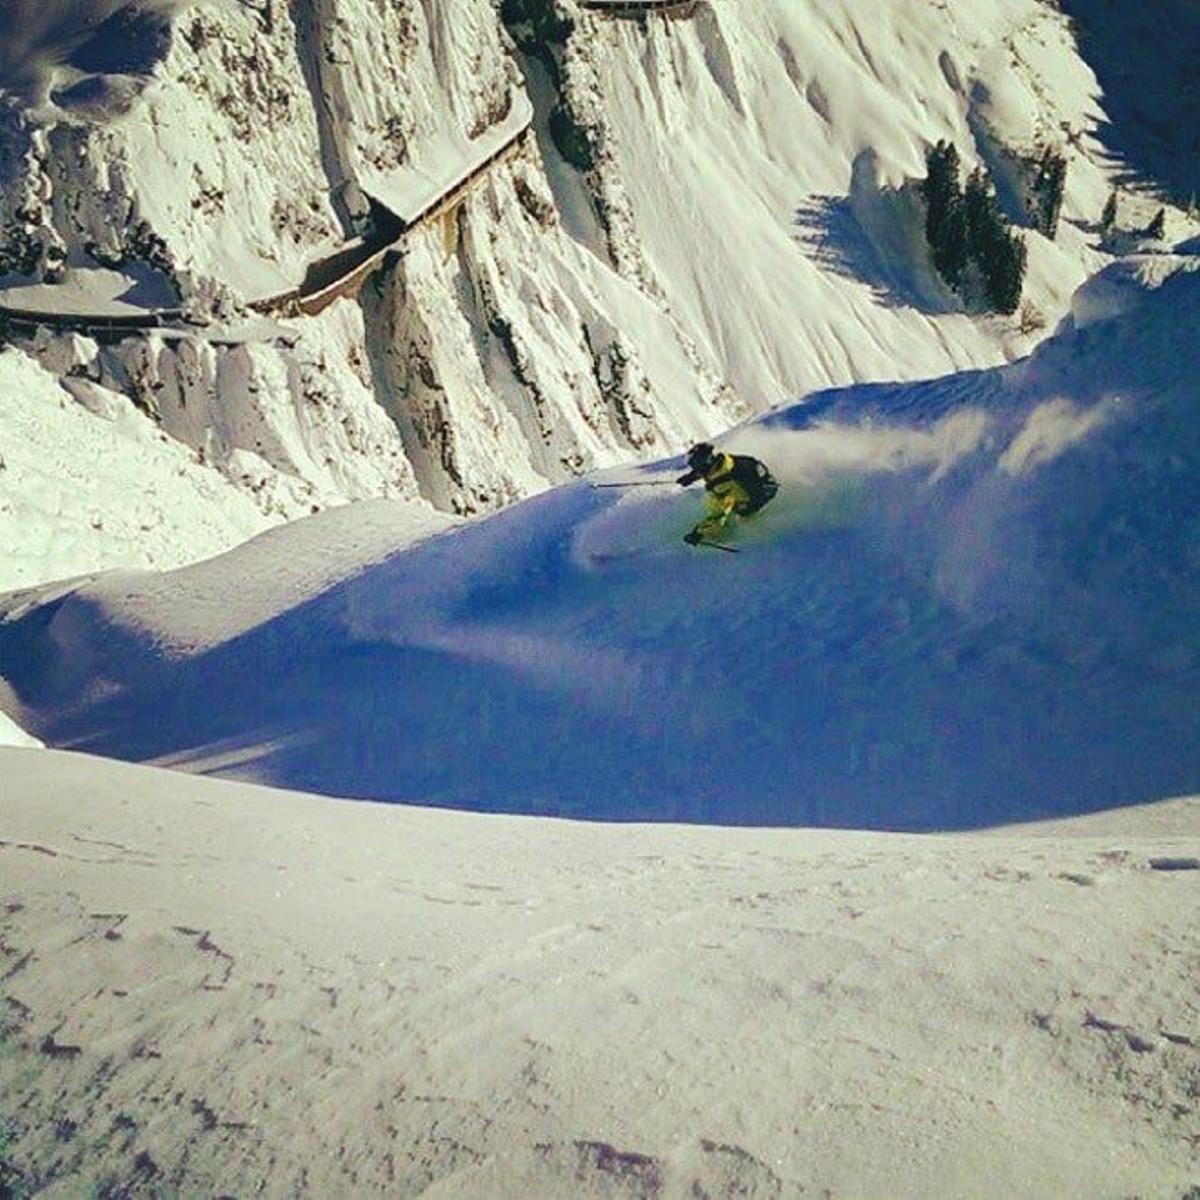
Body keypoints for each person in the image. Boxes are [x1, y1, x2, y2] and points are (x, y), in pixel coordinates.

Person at [677, 442, 779, 545]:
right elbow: (711, 470)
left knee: (741, 515)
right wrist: (691, 477)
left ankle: (731, 538)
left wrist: (699, 534)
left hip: (760, 497)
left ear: (704, 464)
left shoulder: (725, 485)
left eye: (696, 466)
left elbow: (718, 515)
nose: (695, 469)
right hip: (765, 488)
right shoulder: (727, 462)